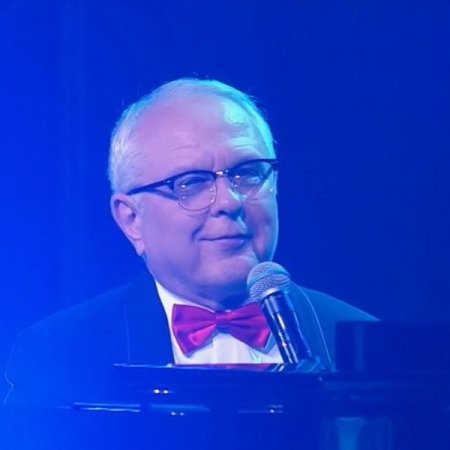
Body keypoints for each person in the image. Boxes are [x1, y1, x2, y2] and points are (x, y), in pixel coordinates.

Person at [3, 78, 375, 408]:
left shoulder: (364, 345)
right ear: (132, 220)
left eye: (247, 173)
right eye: (191, 183)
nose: (229, 201)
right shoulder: (62, 356)